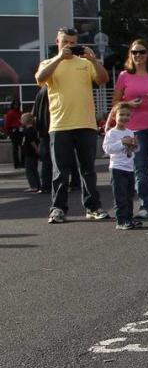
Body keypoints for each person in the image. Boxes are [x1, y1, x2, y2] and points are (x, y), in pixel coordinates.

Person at [36, 27, 109, 223]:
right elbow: (40, 78)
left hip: (86, 123)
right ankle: (58, 209)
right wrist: (59, 58)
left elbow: (103, 80)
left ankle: (93, 207)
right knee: (60, 170)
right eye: (65, 41)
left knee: (88, 169)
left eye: (72, 42)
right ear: (57, 41)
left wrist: (94, 60)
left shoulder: (85, 63)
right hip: (60, 125)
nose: (69, 45)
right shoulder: (49, 63)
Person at [110, 39, 148, 219]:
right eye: (134, 52)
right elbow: (115, 103)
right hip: (134, 128)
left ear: (147, 54)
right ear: (130, 54)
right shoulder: (124, 76)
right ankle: (146, 205)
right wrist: (127, 103)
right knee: (140, 168)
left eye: (142, 52)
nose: (138, 55)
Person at [102, 102, 139, 230]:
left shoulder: (130, 131)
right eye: (121, 114)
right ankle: (121, 220)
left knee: (129, 196)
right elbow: (107, 149)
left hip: (129, 168)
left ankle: (129, 217)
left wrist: (135, 146)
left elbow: (133, 151)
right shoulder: (112, 133)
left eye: (128, 115)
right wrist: (122, 142)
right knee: (120, 196)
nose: (125, 117)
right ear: (114, 117)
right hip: (117, 168)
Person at [21, 112, 41, 193]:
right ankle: (38, 185)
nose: (21, 121)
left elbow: (32, 141)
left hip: (29, 153)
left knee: (29, 170)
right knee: (34, 170)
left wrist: (37, 149)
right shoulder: (33, 129)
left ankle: (33, 186)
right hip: (32, 153)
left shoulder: (28, 130)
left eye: (22, 119)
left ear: (26, 120)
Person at [4, 100, 23, 168]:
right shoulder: (10, 113)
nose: (16, 105)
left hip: (20, 131)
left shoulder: (20, 113)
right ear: (13, 105)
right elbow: (7, 124)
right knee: (15, 148)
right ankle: (16, 163)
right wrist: (8, 133)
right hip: (14, 132)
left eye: (17, 104)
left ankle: (22, 163)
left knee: (22, 147)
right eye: (15, 104)